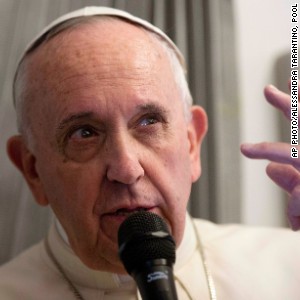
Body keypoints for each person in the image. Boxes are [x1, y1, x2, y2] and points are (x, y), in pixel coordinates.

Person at [0, 6, 299, 300]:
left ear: (191, 144)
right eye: (84, 133)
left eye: (148, 122)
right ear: (33, 171)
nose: (127, 169)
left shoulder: (288, 267)